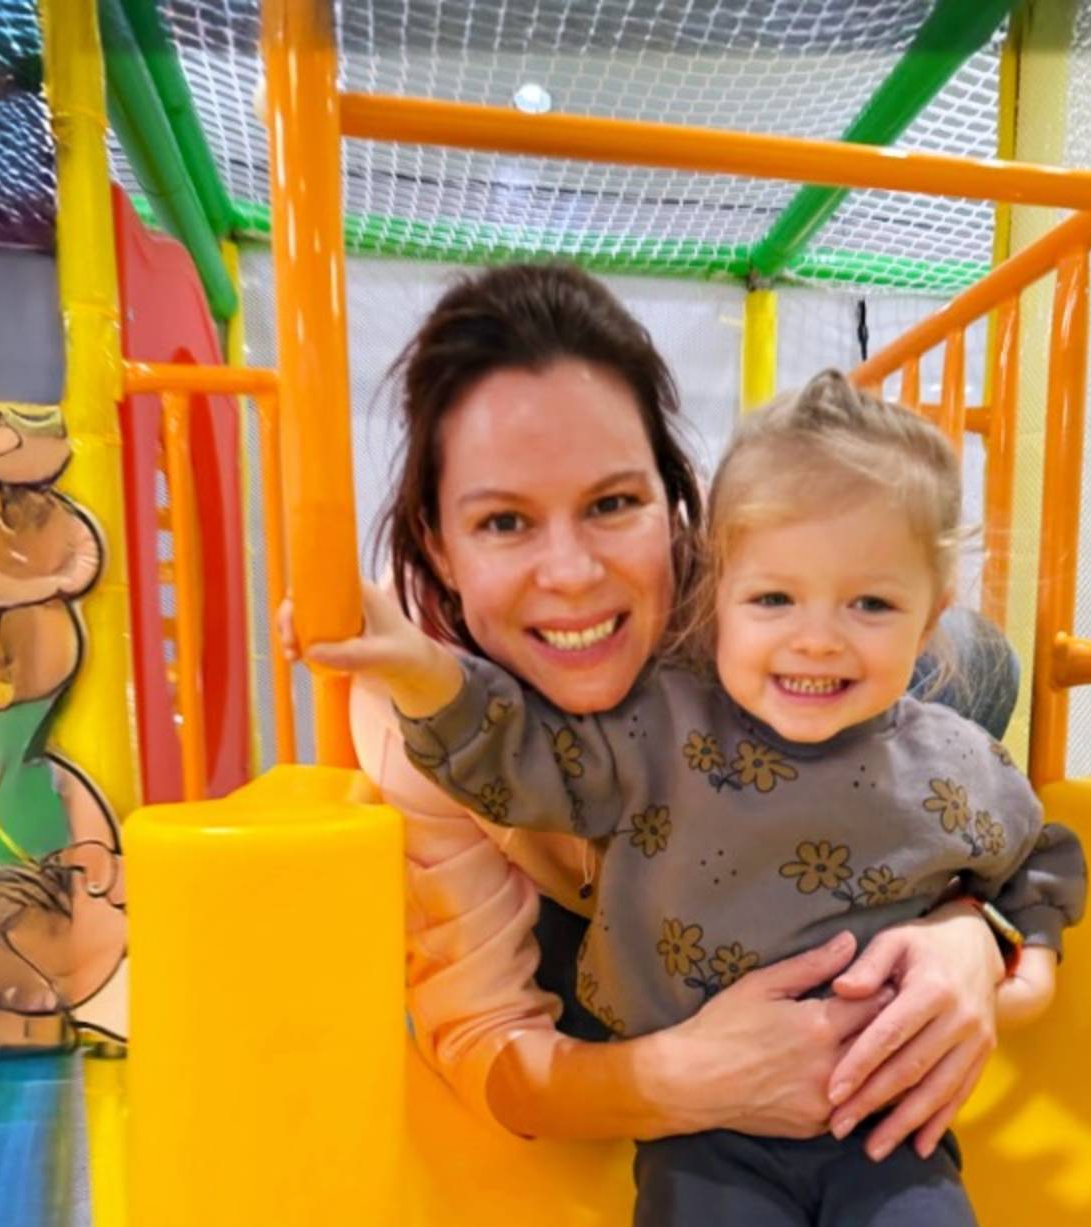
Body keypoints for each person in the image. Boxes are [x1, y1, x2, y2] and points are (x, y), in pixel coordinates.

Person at [316, 368, 1085, 1227]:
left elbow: (1034, 863)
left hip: (893, 1139)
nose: (817, 640)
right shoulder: (660, 731)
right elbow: (525, 758)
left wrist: (1003, 961)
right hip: (708, 1151)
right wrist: (418, 673)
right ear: (715, 591)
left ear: (930, 616)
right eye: (775, 600)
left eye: (869, 604)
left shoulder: (954, 762)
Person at [343, 265, 1033, 1165]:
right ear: (437, 547)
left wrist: (967, 930)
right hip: (602, 927)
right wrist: (683, 1076)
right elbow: (485, 1040)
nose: (572, 575)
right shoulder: (414, 713)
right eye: (505, 523)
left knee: (975, 662)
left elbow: (1015, 863)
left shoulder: (762, 606)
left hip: (786, 833)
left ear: (674, 506)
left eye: (613, 504)